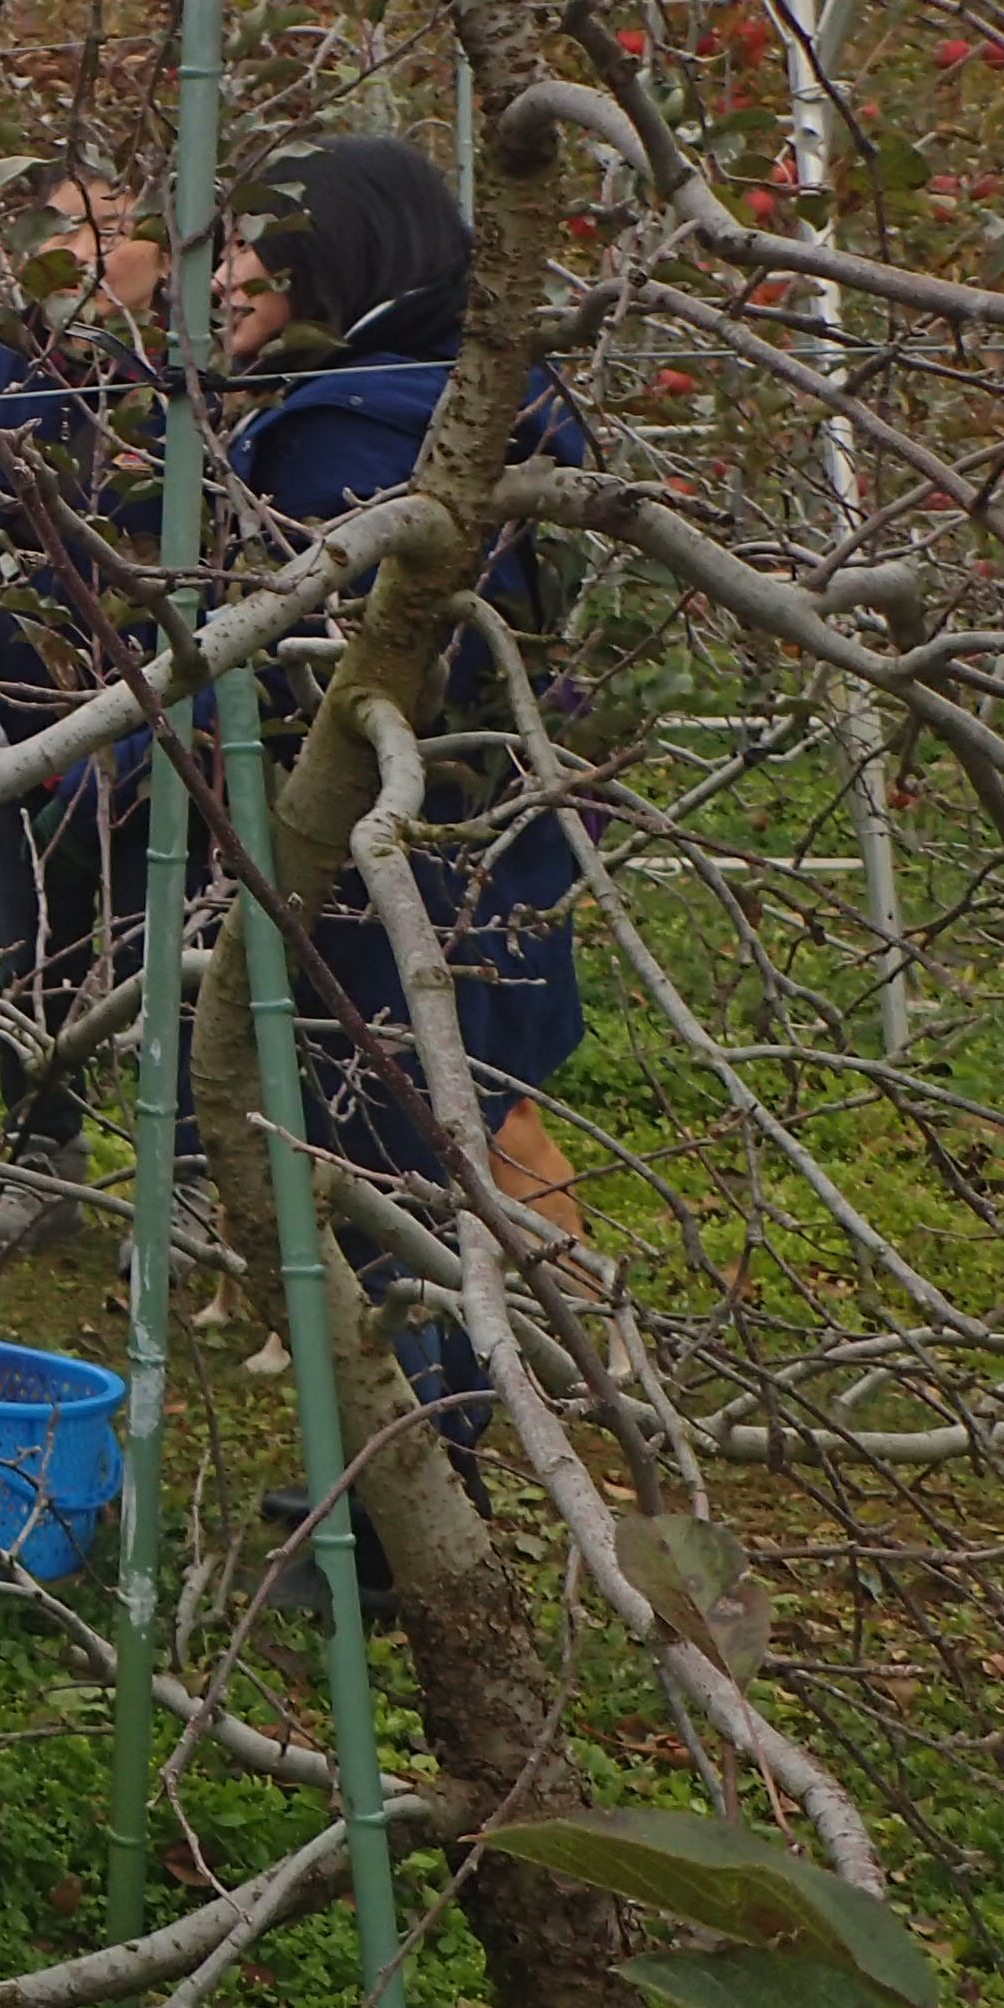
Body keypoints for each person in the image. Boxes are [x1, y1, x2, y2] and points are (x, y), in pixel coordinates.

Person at [213, 133, 592, 1462]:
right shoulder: (493, 394)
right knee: (449, 1115)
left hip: (393, 854)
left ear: (335, 248)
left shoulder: (346, 429)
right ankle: (449, 1434)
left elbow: (295, 675)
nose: (230, 275)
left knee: (386, 1137)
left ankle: (424, 1470)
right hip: (498, 831)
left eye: (256, 245)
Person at [0, 171, 173, 1255]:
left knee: (178, 946)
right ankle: (41, 1156)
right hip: (16, 717)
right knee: (35, 950)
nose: (88, 252)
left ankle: (192, 1173)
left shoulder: (195, 385)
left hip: (169, 719)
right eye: (62, 228)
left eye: (115, 226)